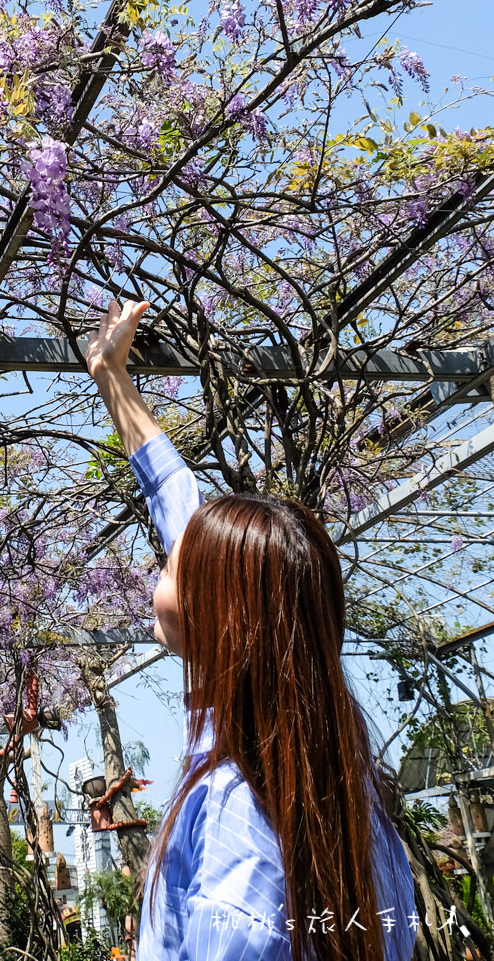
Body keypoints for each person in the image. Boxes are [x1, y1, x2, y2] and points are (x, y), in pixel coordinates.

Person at [86, 299, 416, 961]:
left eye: (173, 563)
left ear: (222, 613)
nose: (161, 559)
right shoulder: (328, 774)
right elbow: (179, 503)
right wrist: (112, 378)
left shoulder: (242, 810)